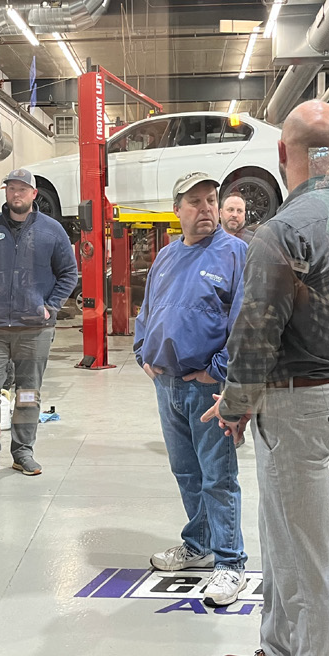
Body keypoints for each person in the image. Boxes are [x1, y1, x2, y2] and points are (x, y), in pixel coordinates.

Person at [201, 101, 329, 656]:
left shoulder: (282, 230)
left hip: (295, 402)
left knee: (305, 559)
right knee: (280, 542)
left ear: (284, 155)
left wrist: (236, 402)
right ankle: (278, 650)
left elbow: (255, 331)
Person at [134, 171, 249, 607]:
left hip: (206, 388)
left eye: (211, 200)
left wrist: (218, 370)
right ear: (177, 209)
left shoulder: (235, 254)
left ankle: (230, 562)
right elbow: (148, 309)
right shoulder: (166, 256)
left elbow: (244, 322)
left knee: (218, 476)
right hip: (166, 385)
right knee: (186, 472)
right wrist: (142, 349)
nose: (206, 209)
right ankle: (198, 544)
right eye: (195, 202)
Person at [0, 168, 77, 481]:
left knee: (28, 392)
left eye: (23, 189)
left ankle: (22, 451)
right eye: (12, 188)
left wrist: (50, 306)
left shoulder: (51, 230)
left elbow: (69, 272)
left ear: (33, 195)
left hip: (34, 329)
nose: (17, 194)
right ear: (6, 192)